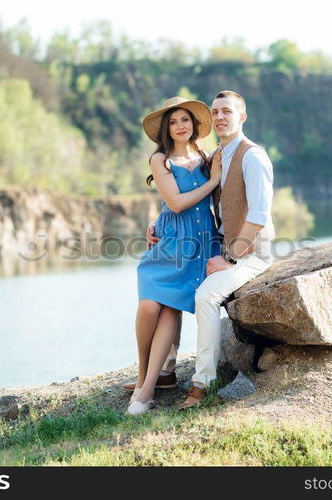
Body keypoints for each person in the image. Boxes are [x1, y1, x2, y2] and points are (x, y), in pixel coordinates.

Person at [140, 90, 275, 410]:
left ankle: (202, 382)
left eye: (227, 111)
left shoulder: (253, 156)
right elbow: (185, 200)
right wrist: (156, 226)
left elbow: (259, 216)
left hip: (251, 251)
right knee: (167, 292)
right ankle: (163, 371)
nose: (220, 117)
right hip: (215, 244)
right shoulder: (214, 157)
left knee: (205, 296)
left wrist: (230, 257)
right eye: (215, 112)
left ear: (242, 117)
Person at [127, 96, 223, 416]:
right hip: (170, 243)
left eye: (185, 120)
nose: (180, 126)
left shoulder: (206, 156)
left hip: (199, 245)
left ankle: (147, 389)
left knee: (169, 310)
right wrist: (211, 181)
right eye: (173, 122)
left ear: (194, 125)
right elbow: (178, 203)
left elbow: (210, 203)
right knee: (148, 306)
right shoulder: (161, 159)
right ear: (166, 130)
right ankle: (143, 377)